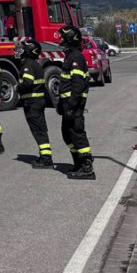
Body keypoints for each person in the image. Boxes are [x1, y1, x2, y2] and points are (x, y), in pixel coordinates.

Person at [56, 24, 94, 180]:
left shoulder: (76, 57)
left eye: (63, 36)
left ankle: (87, 167)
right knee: (67, 134)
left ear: (70, 38)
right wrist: (61, 104)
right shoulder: (70, 56)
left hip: (74, 105)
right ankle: (78, 162)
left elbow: (77, 86)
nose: (60, 39)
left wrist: (71, 106)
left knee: (77, 133)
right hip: (68, 103)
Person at [15, 39, 53, 168]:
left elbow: (27, 83)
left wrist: (17, 87)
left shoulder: (28, 65)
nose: (20, 51)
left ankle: (46, 159)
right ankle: (45, 156)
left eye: (23, 48)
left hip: (32, 103)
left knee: (38, 131)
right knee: (40, 130)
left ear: (29, 51)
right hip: (36, 102)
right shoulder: (35, 64)